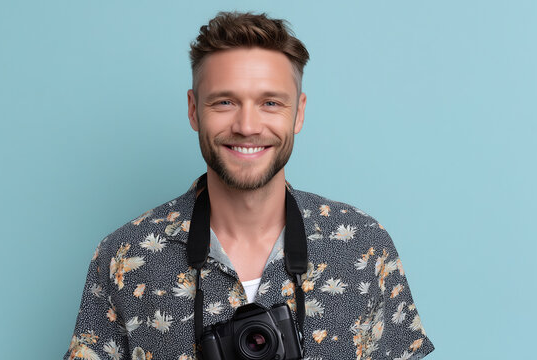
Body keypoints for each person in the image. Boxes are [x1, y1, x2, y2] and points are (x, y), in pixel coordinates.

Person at [64, 11, 434, 360]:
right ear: (194, 110)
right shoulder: (124, 257)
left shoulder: (363, 246)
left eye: (270, 103)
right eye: (224, 101)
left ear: (299, 113)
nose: (247, 126)